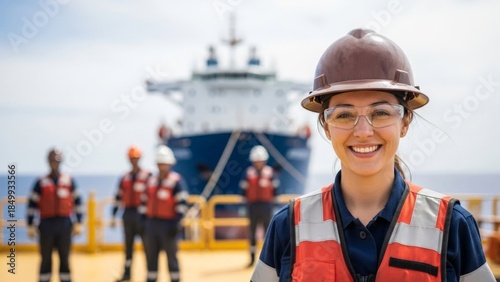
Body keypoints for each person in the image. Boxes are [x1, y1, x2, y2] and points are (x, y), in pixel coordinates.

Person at [251, 28, 496, 281]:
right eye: (344, 115)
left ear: (405, 122)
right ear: (326, 126)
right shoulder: (288, 226)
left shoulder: (452, 226)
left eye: (381, 113)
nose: (364, 132)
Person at [26, 148, 84, 282]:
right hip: (46, 225)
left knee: (65, 257)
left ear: (60, 162)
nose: (54, 164)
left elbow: (78, 202)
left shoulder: (68, 181)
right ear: (48, 162)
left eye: (57, 161)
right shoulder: (41, 182)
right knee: (45, 258)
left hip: (64, 224)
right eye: (52, 161)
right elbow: (31, 205)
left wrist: (79, 223)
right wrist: (30, 225)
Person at [141, 145, 189, 282]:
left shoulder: (176, 181)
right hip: (151, 225)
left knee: (171, 257)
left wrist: (176, 223)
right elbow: (144, 202)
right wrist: (143, 222)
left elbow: (182, 203)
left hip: (168, 225)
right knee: (151, 256)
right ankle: (151, 278)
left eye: (164, 163)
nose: (162, 166)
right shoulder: (151, 181)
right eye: (160, 163)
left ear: (170, 164)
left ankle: (175, 279)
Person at [111, 145, 151, 282]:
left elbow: (153, 195)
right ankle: (127, 274)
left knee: (148, 246)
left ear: (139, 159)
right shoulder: (125, 178)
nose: (133, 161)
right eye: (131, 158)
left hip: (143, 216)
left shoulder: (147, 176)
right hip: (128, 215)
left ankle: (150, 275)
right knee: (128, 248)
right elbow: (118, 196)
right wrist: (113, 215)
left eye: (136, 158)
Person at [240, 145, 279, 267]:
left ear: (264, 161)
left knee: (269, 233)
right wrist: (243, 205)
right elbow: (243, 190)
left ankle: (270, 259)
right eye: (256, 161)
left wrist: (276, 205)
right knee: (252, 233)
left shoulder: (270, 173)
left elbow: (276, 190)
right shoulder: (248, 173)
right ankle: (251, 259)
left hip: (267, 206)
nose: (258, 163)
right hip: (252, 206)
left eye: (260, 161)